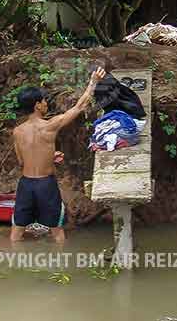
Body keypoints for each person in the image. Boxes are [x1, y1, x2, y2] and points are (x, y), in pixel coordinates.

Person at [10, 67, 106, 243]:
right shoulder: (49, 126)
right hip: (46, 185)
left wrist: (48, 156)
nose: (46, 104)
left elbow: (21, 161)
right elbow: (80, 107)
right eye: (44, 101)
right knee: (57, 231)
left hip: (26, 185)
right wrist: (93, 82)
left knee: (16, 233)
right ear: (37, 105)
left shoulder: (17, 131)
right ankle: (60, 266)